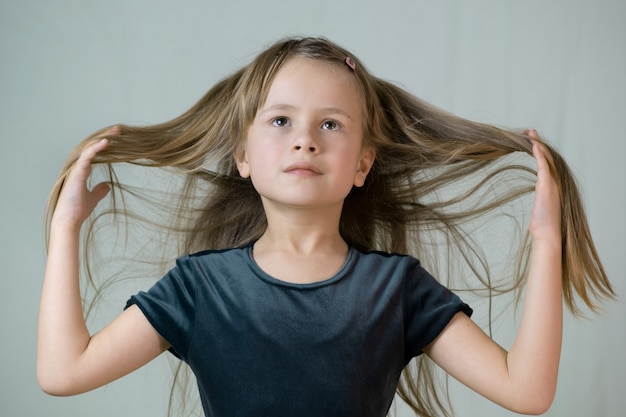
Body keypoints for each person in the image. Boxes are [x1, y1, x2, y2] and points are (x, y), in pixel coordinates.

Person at [37, 37, 614, 417]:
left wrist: (547, 241)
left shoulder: (398, 291)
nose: (305, 138)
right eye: (281, 119)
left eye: (332, 124)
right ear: (243, 156)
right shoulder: (199, 287)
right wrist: (66, 230)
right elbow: (63, 374)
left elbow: (528, 391)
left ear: (363, 163)